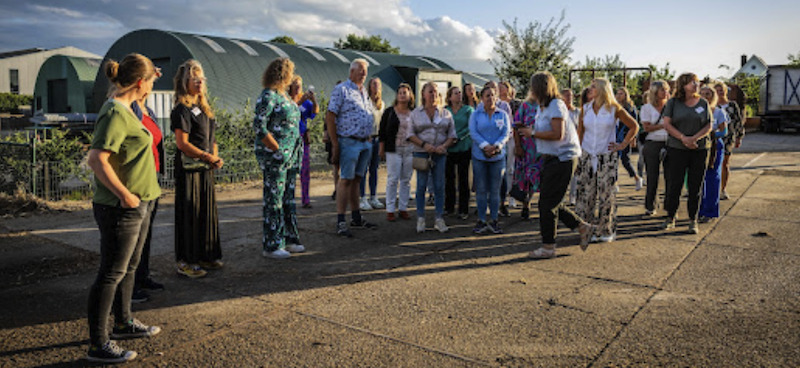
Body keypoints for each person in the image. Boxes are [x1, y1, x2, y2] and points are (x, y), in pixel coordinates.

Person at [86, 53, 161, 363]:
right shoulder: (115, 113)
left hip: (142, 200)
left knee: (129, 267)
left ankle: (124, 322)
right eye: (151, 84)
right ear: (140, 83)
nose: (152, 89)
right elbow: (96, 159)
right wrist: (126, 195)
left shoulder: (130, 108)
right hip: (121, 206)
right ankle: (98, 343)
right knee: (111, 273)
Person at [518, 72, 593, 259]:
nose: (531, 90)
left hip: (562, 158)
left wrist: (532, 133)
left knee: (546, 204)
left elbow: (557, 134)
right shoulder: (543, 107)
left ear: (540, 88)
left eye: (533, 86)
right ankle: (582, 227)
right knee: (551, 201)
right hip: (552, 157)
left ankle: (548, 246)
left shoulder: (556, 105)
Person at [171, 59, 224, 278]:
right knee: (189, 214)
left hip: (205, 167)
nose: (199, 82)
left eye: (201, 78)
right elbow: (182, 143)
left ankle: (205, 255)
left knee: (206, 212)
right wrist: (206, 156)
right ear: (185, 82)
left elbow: (212, 138)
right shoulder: (181, 110)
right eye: (194, 78)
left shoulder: (204, 108)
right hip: (189, 168)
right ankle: (186, 261)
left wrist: (215, 157)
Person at [575, 79, 639, 243]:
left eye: (594, 87)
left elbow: (634, 126)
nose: (590, 89)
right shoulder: (586, 109)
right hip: (587, 155)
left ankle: (606, 230)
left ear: (603, 90)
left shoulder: (614, 109)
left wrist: (622, 144)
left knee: (606, 195)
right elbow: (579, 133)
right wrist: (577, 154)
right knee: (585, 195)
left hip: (607, 156)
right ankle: (586, 230)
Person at [253, 58, 305, 259]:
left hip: (291, 157)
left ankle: (289, 238)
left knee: (288, 199)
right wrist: (276, 149)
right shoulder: (268, 96)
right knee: (273, 199)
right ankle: (272, 244)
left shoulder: (284, 96)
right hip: (276, 158)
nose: (292, 76)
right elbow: (259, 125)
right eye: (290, 72)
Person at [326, 59, 378, 237]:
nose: (364, 74)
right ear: (351, 72)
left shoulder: (364, 92)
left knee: (357, 180)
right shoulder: (342, 90)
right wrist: (335, 144)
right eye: (360, 70)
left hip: (364, 142)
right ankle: (341, 220)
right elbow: (331, 115)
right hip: (349, 141)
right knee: (345, 180)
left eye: (365, 71)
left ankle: (356, 217)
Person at [662, 73, 713, 233]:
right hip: (677, 149)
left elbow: (709, 125)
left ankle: (693, 220)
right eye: (692, 82)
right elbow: (667, 124)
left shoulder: (703, 103)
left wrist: (694, 138)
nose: (696, 85)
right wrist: (683, 138)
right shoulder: (673, 103)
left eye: (697, 82)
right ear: (683, 85)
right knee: (674, 184)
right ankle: (671, 217)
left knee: (695, 186)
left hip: (699, 149)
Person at [407, 82, 457, 233]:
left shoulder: (445, 113)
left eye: (435, 92)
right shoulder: (416, 113)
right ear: (423, 94)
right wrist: (423, 145)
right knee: (421, 185)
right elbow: (410, 134)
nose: (433, 94)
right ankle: (421, 218)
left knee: (439, 185)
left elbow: (452, 135)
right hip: (421, 153)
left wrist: (444, 146)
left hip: (440, 153)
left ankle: (439, 218)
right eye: (430, 92)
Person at [130, 89, 165, 304]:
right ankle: (130, 287)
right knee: (134, 236)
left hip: (153, 176)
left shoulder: (148, 110)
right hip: (140, 178)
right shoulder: (131, 110)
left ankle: (143, 276)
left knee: (146, 232)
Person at [469, 85, 511, 234]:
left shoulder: (503, 114)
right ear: (482, 98)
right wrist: (485, 146)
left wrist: (497, 146)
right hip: (480, 156)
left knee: (495, 190)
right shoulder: (475, 114)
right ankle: (481, 220)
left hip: (498, 157)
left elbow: (506, 133)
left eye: (493, 95)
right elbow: (473, 132)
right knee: (481, 190)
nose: (490, 98)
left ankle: (494, 220)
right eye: (487, 96)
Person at [378, 83, 415, 221]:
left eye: (405, 92)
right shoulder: (389, 112)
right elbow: (382, 131)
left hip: (410, 150)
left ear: (410, 95)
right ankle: (390, 209)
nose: (402, 95)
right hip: (394, 150)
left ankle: (403, 208)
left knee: (406, 180)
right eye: (400, 93)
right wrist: (381, 148)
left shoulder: (414, 112)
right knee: (393, 179)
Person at [640, 80, 671, 216]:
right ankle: (650, 205)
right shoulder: (647, 108)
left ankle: (670, 206)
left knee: (671, 177)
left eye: (667, 90)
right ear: (655, 92)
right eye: (662, 90)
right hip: (653, 143)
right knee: (652, 176)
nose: (665, 92)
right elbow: (647, 127)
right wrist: (664, 125)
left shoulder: (672, 106)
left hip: (670, 142)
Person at [698, 85, 729, 223]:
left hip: (715, 147)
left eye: (708, 94)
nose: (705, 96)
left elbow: (724, 131)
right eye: (702, 93)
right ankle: (699, 210)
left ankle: (710, 211)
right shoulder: (696, 111)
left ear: (713, 96)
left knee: (712, 178)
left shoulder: (719, 112)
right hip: (699, 146)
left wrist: (711, 134)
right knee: (699, 179)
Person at [512, 90, 543, 220]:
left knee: (541, 177)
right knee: (526, 178)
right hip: (527, 148)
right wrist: (518, 146)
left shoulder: (547, 106)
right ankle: (526, 204)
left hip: (542, 148)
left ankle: (544, 207)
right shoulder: (525, 106)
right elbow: (516, 126)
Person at [288, 75, 318, 209]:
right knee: (290, 170)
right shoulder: (287, 100)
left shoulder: (305, 101)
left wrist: (314, 100)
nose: (298, 87)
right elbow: (290, 110)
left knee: (305, 170)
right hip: (289, 138)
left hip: (302, 137)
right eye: (295, 84)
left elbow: (314, 112)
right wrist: (299, 103)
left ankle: (306, 199)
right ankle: (289, 199)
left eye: (300, 84)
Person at [444, 86, 473, 220]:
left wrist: (457, 137)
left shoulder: (468, 110)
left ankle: (463, 209)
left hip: (463, 147)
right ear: (450, 97)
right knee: (449, 179)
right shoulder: (445, 111)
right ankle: (449, 207)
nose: (459, 95)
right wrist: (449, 140)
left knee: (463, 179)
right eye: (455, 93)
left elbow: (470, 127)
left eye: (460, 93)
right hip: (449, 149)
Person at [359, 77, 386, 211]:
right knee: (363, 169)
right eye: (374, 84)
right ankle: (362, 198)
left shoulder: (382, 104)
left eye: (378, 84)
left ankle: (373, 197)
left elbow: (382, 124)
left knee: (374, 169)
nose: (376, 86)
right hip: (367, 139)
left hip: (377, 139)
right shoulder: (365, 102)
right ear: (369, 86)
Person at [715, 81, 744, 200]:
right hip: (714, 137)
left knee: (725, 163)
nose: (719, 92)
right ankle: (711, 188)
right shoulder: (711, 106)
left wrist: (739, 137)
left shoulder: (732, 105)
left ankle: (723, 189)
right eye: (717, 90)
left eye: (721, 90)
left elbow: (739, 122)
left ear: (725, 91)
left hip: (728, 137)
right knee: (712, 163)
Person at [615, 87, 643, 190]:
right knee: (614, 160)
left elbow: (635, 124)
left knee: (625, 159)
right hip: (615, 136)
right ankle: (615, 183)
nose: (619, 95)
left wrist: (633, 138)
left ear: (626, 95)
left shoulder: (631, 108)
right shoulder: (614, 106)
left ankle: (636, 178)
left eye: (621, 93)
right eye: (618, 93)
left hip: (626, 135)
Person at [324, 80, 343, 201]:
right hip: (333, 136)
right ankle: (337, 189)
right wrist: (326, 133)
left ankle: (343, 189)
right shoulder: (331, 102)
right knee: (335, 165)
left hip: (345, 136)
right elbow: (327, 118)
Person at [561, 88, 580, 205]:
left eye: (571, 96)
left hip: (573, 145)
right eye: (567, 95)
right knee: (562, 173)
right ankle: (561, 196)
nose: (570, 98)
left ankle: (572, 195)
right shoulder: (559, 111)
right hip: (561, 145)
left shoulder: (577, 112)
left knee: (574, 173)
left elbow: (580, 128)